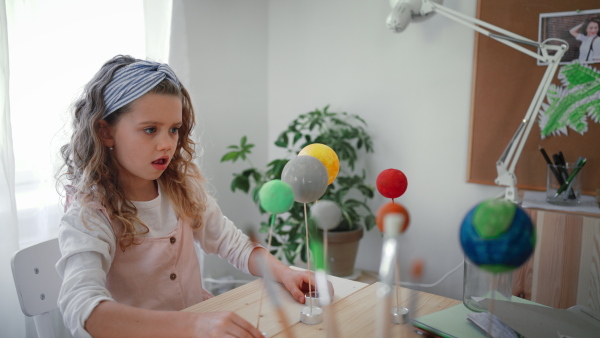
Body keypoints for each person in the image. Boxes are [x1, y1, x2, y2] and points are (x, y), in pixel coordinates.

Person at [56, 55, 327, 338]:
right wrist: (194, 325)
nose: (166, 144)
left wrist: (285, 273)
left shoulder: (180, 186)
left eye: (174, 129)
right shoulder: (89, 212)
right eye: (150, 130)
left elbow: (231, 243)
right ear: (105, 132)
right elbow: (83, 309)